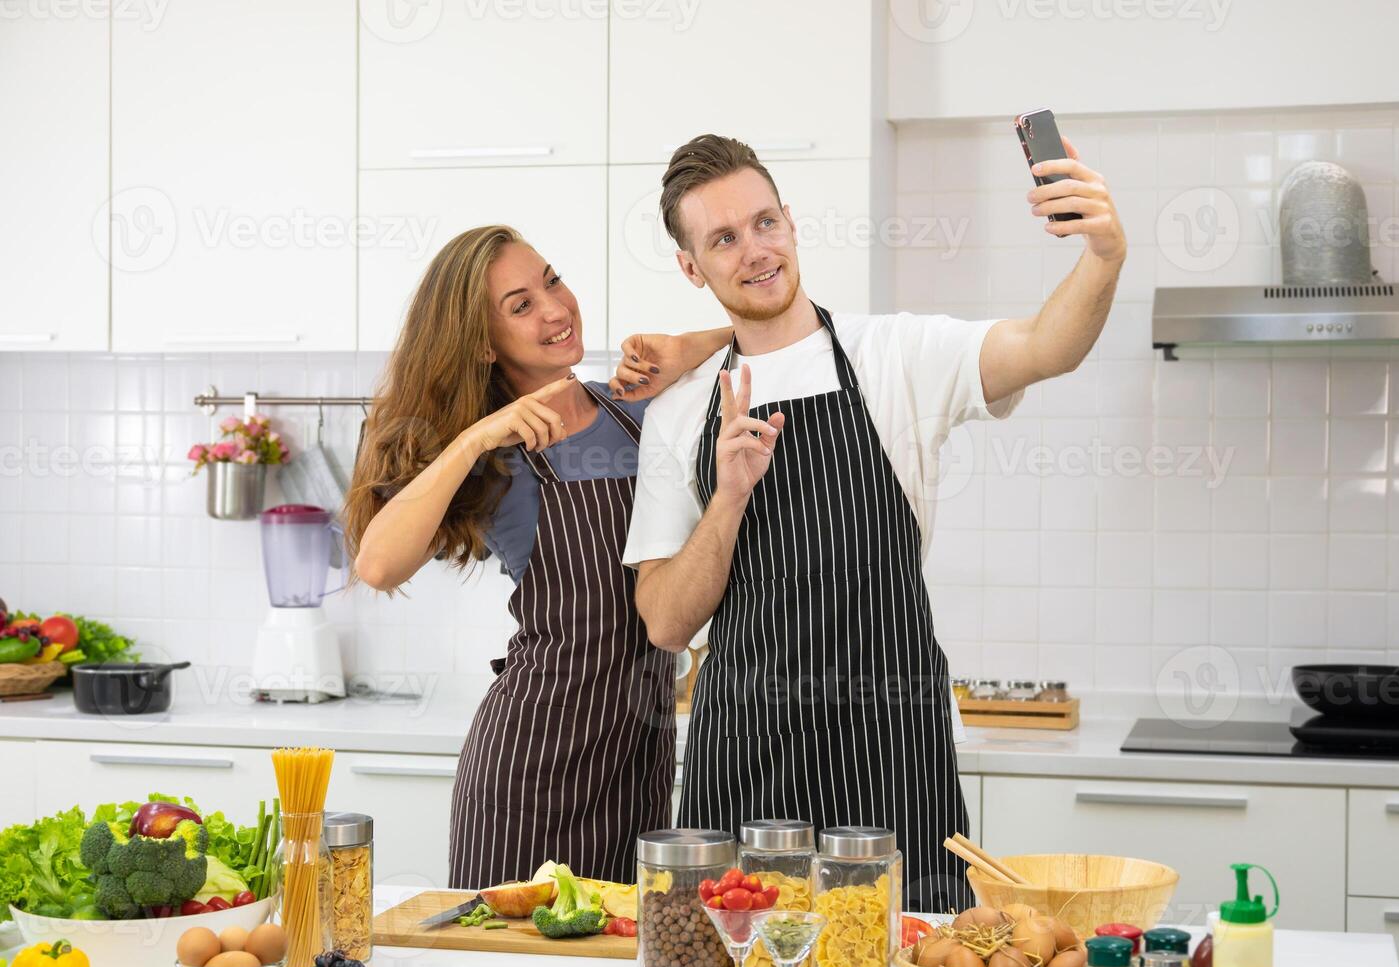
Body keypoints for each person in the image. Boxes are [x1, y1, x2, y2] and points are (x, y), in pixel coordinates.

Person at [623, 135, 1126, 912]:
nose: (754, 251)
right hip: (746, 756)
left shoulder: (894, 353)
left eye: (763, 223)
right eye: (723, 238)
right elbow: (663, 621)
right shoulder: (680, 410)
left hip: (893, 753)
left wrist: (1101, 257)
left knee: (908, 953)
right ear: (691, 266)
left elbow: (1042, 347)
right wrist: (726, 498)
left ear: (789, 223)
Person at [343, 224, 731, 887]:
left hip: (636, 761)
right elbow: (377, 565)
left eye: (551, 280)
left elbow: (779, 343)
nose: (555, 308)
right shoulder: (492, 449)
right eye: (519, 305)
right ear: (482, 344)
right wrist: (474, 438)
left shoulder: (634, 413)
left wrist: (698, 341)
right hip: (531, 768)